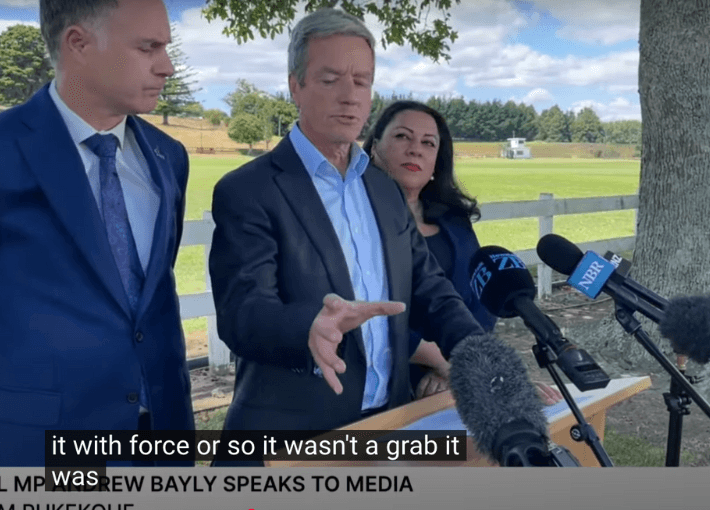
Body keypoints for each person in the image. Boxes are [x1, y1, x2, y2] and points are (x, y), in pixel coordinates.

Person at [208, 9, 546, 456]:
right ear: (296, 86)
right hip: (288, 443)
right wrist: (305, 326)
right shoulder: (248, 190)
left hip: (390, 426)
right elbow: (242, 312)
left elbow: (433, 292)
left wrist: (488, 367)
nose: (350, 97)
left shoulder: (383, 190)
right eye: (331, 79)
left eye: (362, 81)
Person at [0, 0, 193, 466]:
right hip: (35, 453)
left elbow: (149, 300)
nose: (167, 66)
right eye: (148, 48)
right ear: (78, 43)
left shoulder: (168, 157)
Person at [364, 101, 562, 405]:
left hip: (451, 375)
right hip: (380, 383)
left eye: (428, 143)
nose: (416, 149)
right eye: (403, 136)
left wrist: (454, 368)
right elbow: (371, 312)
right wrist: (454, 365)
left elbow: (478, 303)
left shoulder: (454, 220)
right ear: (375, 147)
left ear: (436, 162)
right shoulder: (355, 221)